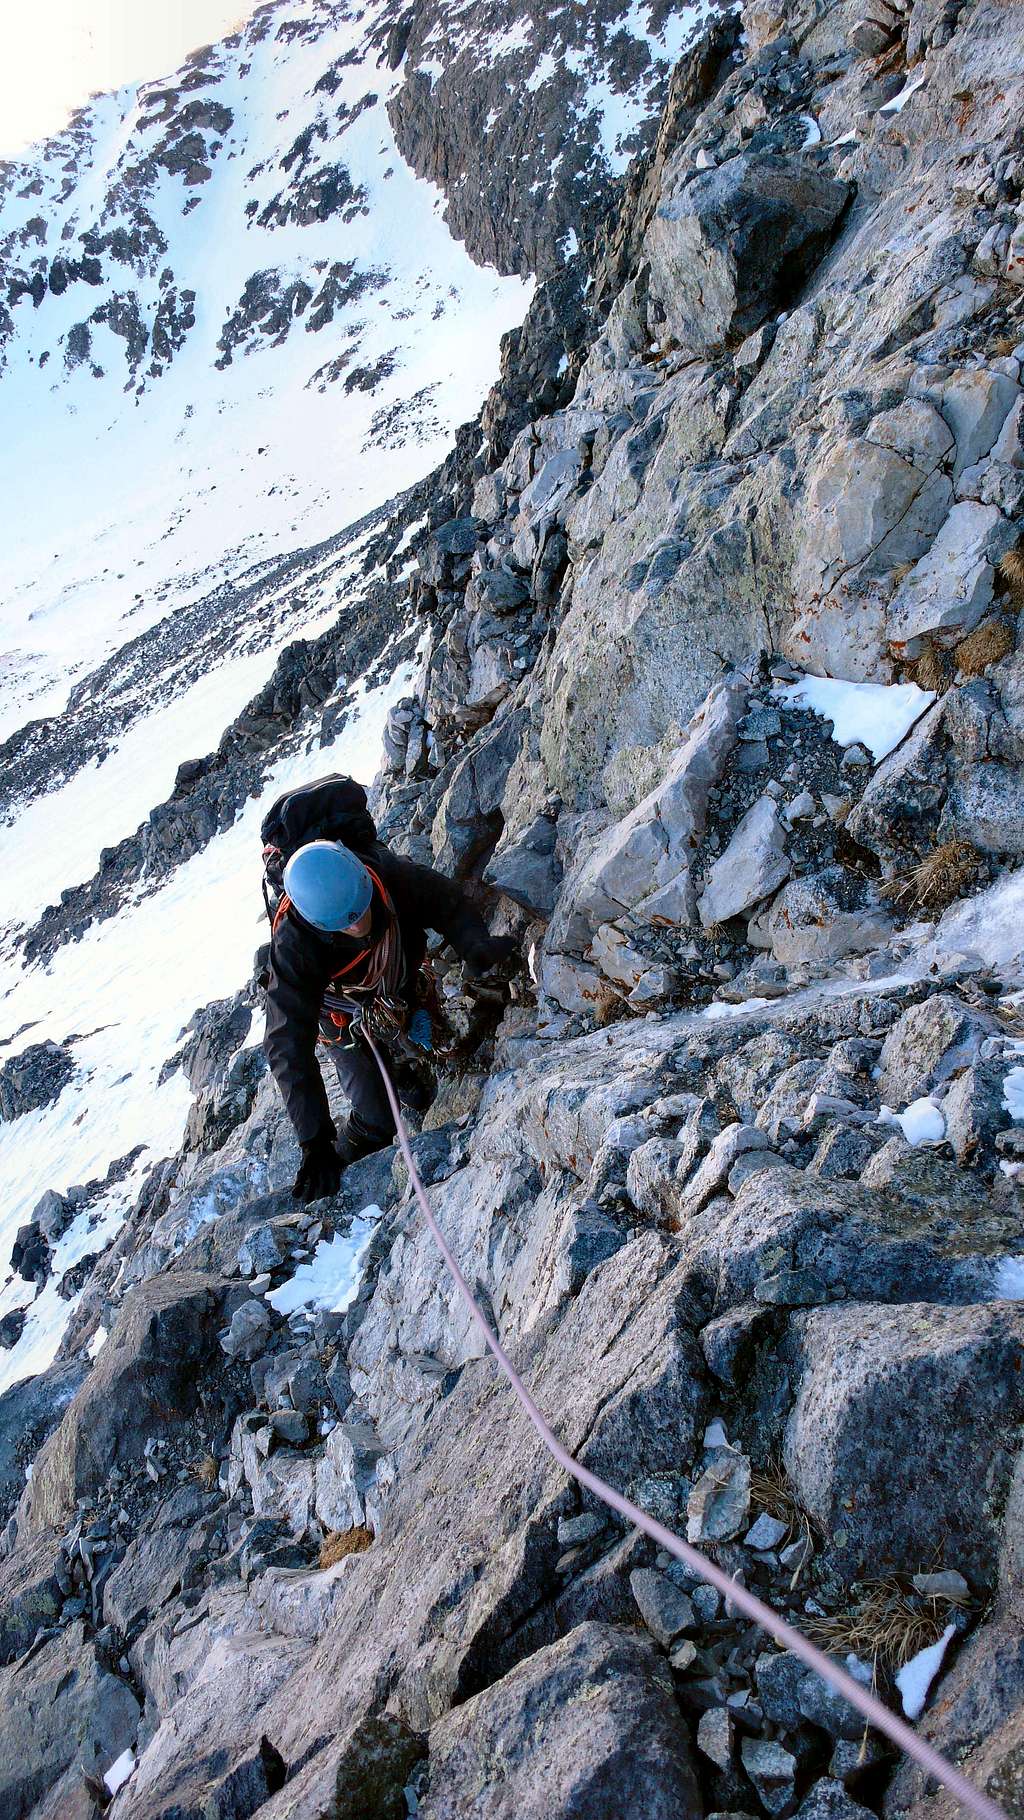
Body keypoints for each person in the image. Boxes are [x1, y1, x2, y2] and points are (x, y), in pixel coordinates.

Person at [263, 837, 515, 1201]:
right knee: (377, 1119)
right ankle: (342, 1158)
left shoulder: (389, 875)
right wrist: (314, 1141)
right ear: (316, 923)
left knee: (421, 1031)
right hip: (341, 1019)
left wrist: (473, 944)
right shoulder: (295, 945)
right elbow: (288, 1046)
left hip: (401, 983)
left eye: (361, 909)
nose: (358, 925)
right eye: (345, 925)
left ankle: (400, 1063)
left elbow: (447, 903)